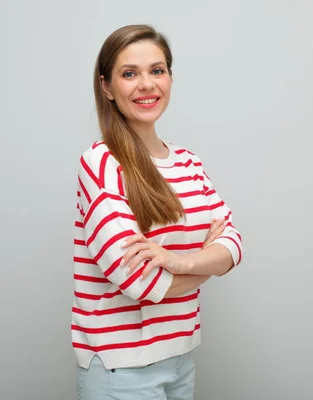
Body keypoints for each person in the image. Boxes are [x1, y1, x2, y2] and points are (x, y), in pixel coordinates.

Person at [71, 24, 243, 399]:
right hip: (122, 370)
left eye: (157, 70)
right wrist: (206, 265)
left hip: (181, 359)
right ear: (106, 87)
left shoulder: (188, 162)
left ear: (170, 77)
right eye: (129, 73)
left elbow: (233, 244)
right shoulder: (102, 163)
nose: (147, 84)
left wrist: (178, 262)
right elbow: (139, 282)